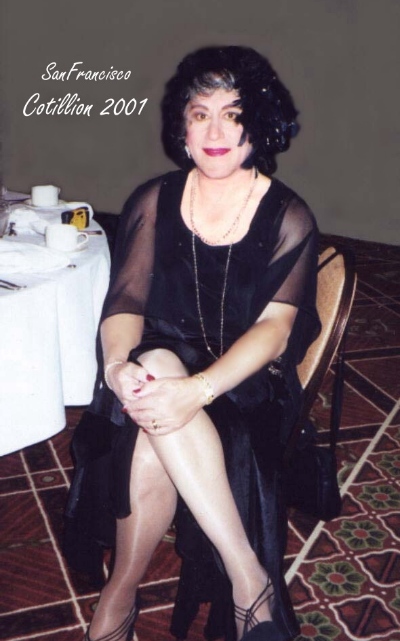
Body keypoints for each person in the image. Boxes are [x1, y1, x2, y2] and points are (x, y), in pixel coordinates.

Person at [64, 46, 321, 641]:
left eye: (233, 115)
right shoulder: (154, 200)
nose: (214, 132)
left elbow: (275, 330)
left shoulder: (289, 216)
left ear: (260, 124)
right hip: (163, 359)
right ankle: (250, 582)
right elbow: (126, 302)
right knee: (154, 372)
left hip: (242, 381)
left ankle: (122, 594)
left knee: (154, 424)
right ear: (181, 127)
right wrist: (115, 366)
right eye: (199, 114)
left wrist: (199, 389)